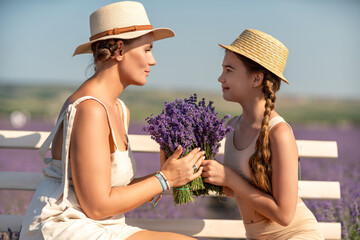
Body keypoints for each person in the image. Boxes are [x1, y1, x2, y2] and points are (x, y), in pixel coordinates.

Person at [20, 2, 204, 240]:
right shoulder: (90, 109)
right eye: (147, 50)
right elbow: (96, 206)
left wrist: (171, 173)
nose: (153, 61)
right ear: (119, 50)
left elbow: (110, 192)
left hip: (104, 226)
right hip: (66, 225)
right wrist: (165, 179)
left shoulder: (118, 108)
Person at [201, 29, 324, 239]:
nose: (220, 78)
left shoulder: (280, 134)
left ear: (256, 79)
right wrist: (204, 176)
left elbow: (284, 216)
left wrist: (229, 178)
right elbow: (241, 190)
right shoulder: (232, 127)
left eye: (229, 70)